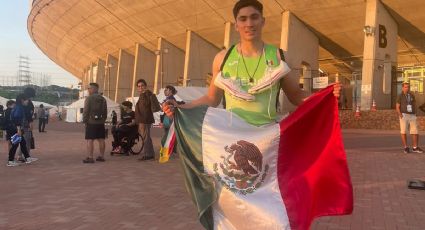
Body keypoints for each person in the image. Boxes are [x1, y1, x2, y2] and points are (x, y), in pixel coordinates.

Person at [6, 95, 38, 167]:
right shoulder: (19, 108)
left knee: (22, 143)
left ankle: (27, 158)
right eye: (26, 100)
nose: (28, 101)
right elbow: (16, 118)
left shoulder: (18, 107)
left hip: (16, 128)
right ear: (22, 100)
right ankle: (10, 161)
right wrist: (18, 129)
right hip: (16, 128)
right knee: (15, 144)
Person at [135, 79, 161, 161]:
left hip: (145, 119)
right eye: (139, 86)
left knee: (146, 137)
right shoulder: (143, 95)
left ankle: (148, 154)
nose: (140, 87)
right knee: (146, 137)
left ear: (145, 86)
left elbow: (146, 106)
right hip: (142, 119)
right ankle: (149, 153)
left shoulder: (146, 94)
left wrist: (144, 94)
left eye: (142, 85)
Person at [82, 83, 108, 163]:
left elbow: (86, 111)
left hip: (91, 122)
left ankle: (90, 157)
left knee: (90, 140)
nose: (88, 90)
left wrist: (85, 121)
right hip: (100, 123)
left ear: (94, 89)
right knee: (101, 139)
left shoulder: (89, 98)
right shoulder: (103, 99)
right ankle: (102, 156)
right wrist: (103, 120)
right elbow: (105, 111)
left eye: (89, 88)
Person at [396, 82, 423, 153]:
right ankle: (406, 147)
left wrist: (415, 113)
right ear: (402, 88)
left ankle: (415, 147)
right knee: (403, 131)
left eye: (408, 87)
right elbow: (397, 106)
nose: (407, 88)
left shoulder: (411, 95)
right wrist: (400, 114)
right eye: (405, 87)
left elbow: (414, 104)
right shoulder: (400, 95)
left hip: (412, 115)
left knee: (415, 131)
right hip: (404, 115)